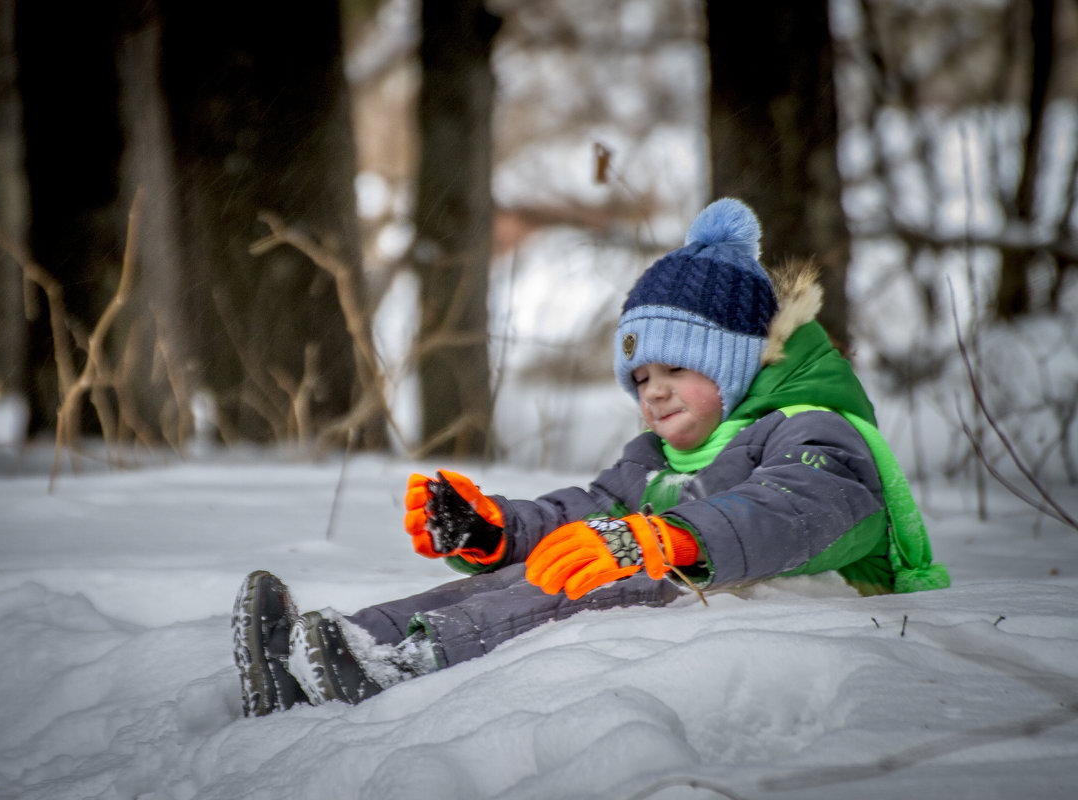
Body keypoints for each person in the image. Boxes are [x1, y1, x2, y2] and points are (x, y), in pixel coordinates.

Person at [231, 197, 950, 716]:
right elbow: (589, 511)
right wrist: (494, 530)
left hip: (818, 623)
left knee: (621, 579)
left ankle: (404, 664)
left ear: (734, 366)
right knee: (538, 568)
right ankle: (337, 648)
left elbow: (797, 513)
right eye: (641, 379)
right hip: (711, 606)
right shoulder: (656, 456)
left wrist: (665, 538)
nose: (655, 395)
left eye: (675, 372)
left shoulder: (816, 430)